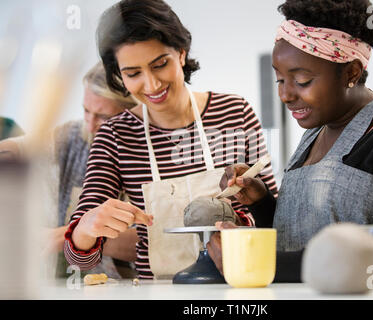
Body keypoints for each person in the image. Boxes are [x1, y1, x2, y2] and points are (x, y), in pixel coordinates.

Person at [208, 0, 373, 282]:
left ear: (351, 73)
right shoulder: (314, 133)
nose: (285, 95)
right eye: (279, 80)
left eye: (301, 81)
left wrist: (258, 263)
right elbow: (295, 236)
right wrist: (261, 201)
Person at [63, 0, 277, 279]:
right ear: (118, 74)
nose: (151, 85)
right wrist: (87, 227)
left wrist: (248, 213)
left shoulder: (235, 113)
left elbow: (275, 222)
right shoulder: (115, 136)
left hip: (237, 284)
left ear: (181, 53)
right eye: (133, 73)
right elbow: (77, 256)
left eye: (160, 64)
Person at [0, 62, 139, 279]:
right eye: (86, 110)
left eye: (103, 117)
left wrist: (66, 236)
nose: (91, 125)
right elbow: (20, 148)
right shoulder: (74, 136)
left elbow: (152, 242)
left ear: (134, 112)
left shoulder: (150, 153)